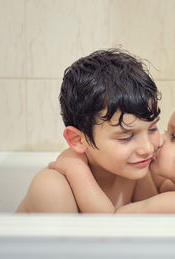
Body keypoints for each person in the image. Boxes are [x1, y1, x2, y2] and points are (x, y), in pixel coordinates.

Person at [16, 49, 161, 213]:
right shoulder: (51, 186)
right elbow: (97, 236)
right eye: (126, 137)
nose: (148, 148)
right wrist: (77, 172)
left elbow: (152, 226)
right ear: (77, 139)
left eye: (152, 128)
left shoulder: (131, 169)